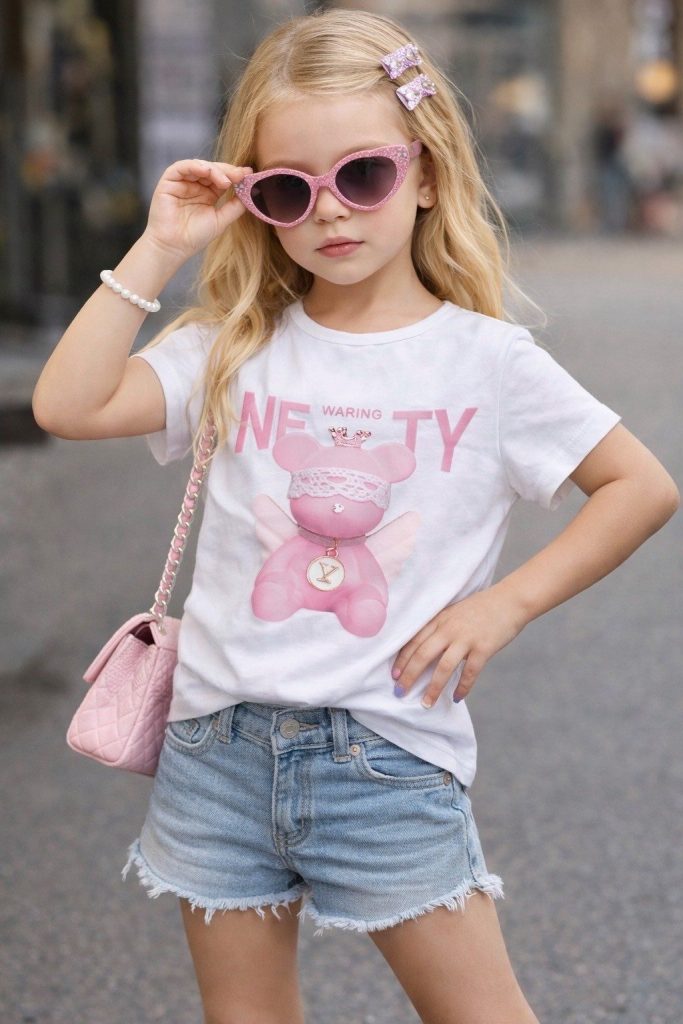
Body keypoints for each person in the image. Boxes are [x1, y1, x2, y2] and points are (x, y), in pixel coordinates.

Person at [32, 10, 679, 1024]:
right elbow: (67, 406)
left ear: (424, 173)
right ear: (257, 201)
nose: (329, 210)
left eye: (363, 174)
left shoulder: (486, 362)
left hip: (385, 755)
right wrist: (159, 248)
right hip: (214, 748)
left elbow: (640, 485)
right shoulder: (235, 342)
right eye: (289, 189)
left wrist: (500, 607)